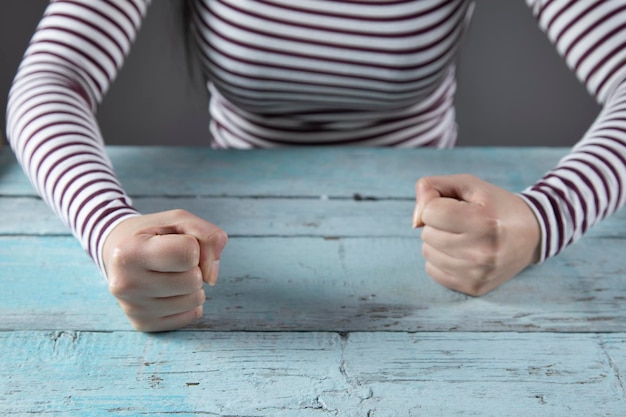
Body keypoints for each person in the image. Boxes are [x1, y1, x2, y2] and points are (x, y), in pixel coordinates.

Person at [5, 0, 626, 332]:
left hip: (432, 246)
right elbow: (50, 81)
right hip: (232, 255)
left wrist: (546, 216)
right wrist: (108, 227)